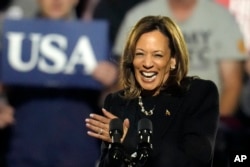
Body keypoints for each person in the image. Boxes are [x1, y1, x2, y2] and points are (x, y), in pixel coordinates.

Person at [85, 15, 219, 167]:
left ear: (173, 60)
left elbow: (195, 159)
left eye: (158, 55)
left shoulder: (197, 94)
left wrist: (130, 139)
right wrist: (116, 148)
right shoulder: (117, 103)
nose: (147, 63)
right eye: (140, 54)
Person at [3, 0, 118, 167]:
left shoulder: (94, 40)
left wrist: (112, 80)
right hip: (25, 152)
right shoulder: (16, 38)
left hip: (79, 153)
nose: (56, 0)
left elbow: (116, 97)